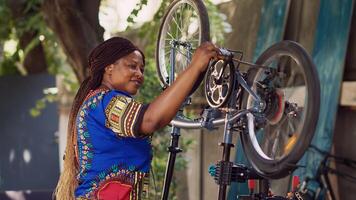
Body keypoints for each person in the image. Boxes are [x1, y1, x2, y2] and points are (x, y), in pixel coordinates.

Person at [54, 37, 218, 200]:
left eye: (142, 69)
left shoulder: (96, 101)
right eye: (132, 66)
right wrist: (195, 66)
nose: (139, 74)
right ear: (109, 68)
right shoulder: (106, 102)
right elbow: (150, 120)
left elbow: (158, 114)